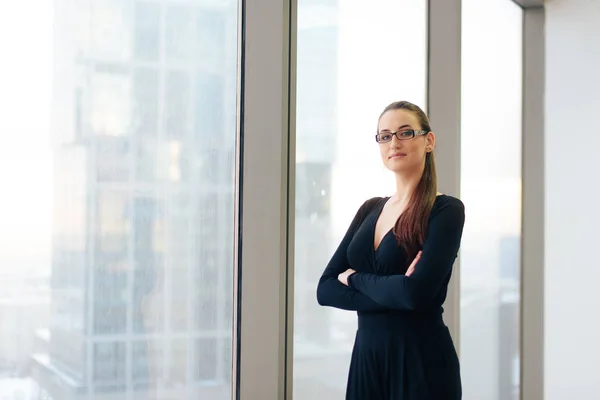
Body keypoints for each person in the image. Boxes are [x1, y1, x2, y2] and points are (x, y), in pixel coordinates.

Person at [316, 100, 465, 400]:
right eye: (385, 135)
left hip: (421, 361)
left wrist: (355, 278)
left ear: (428, 141)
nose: (393, 142)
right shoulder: (370, 208)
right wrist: (396, 290)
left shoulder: (445, 210)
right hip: (366, 360)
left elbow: (415, 294)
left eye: (405, 132)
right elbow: (325, 289)